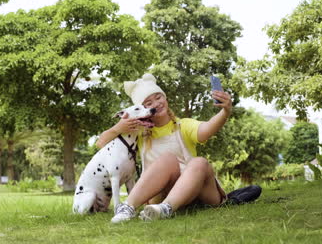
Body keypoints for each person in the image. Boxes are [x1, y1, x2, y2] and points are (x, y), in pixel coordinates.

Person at [96, 73, 233, 223]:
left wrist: (225, 112)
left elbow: (206, 130)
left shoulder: (183, 125)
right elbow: (101, 145)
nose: (156, 103)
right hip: (160, 194)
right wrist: (118, 128)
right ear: (142, 110)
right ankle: (129, 208)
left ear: (165, 98)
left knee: (199, 162)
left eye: (158, 97)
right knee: (167, 159)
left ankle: (166, 208)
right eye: (148, 103)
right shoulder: (139, 133)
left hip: (199, 191)